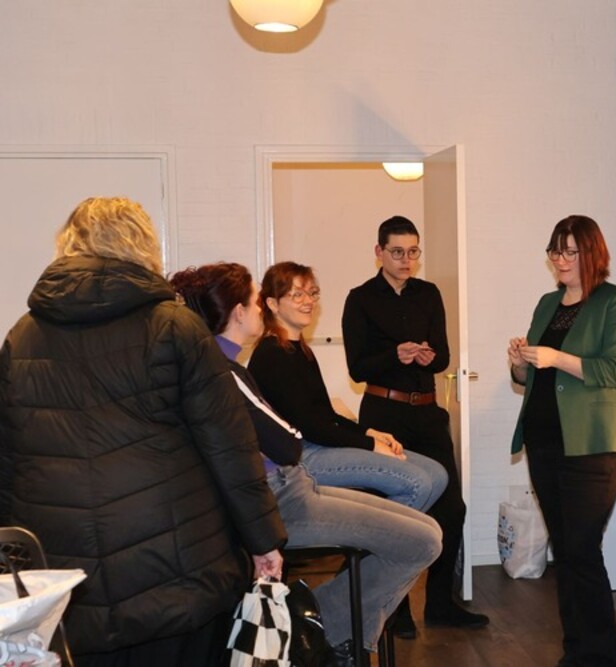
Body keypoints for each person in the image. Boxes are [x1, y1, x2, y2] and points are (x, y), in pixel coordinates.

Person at [0, 197, 286, 666]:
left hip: (68, 574)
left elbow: (8, 458)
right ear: (142, 245)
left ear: (70, 245)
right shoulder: (175, 327)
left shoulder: (22, 336)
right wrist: (263, 540)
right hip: (175, 565)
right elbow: (229, 445)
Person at [171, 263, 442, 665]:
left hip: (290, 486)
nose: (261, 309)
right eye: (255, 301)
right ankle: (318, 628)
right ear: (238, 313)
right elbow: (289, 442)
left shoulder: (225, 366)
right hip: (281, 500)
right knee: (424, 541)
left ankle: (336, 632)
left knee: (429, 531)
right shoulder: (223, 371)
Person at [342, 215, 489, 634]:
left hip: (427, 413)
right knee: (394, 512)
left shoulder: (428, 294)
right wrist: (396, 355)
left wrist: (428, 357)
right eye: (397, 252)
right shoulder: (360, 299)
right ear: (379, 252)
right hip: (384, 415)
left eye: (413, 252)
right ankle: (396, 609)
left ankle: (440, 603)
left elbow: (443, 357)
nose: (406, 260)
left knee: (452, 508)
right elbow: (357, 368)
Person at [508, 214, 616, 667]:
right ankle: (576, 653)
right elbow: (532, 377)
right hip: (545, 441)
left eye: (571, 251)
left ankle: (599, 657)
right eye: (555, 251)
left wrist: (555, 357)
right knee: (564, 552)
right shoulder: (548, 303)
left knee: (581, 551)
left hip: (594, 446)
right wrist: (521, 365)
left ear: (592, 253)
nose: (561, 260)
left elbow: (613, 371)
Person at [247, 261, 447, 514]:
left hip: (317, 445)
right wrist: (369, 444)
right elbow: (310, 426)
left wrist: (370, 432)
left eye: (312, 293)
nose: (308, 301)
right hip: (301, 457)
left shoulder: (300, 350)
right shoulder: (272, 353)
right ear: (273, 304)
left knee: (437, 474)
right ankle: (378, 538)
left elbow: (326, 415)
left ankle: (382, 535)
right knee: (417, 482)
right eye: (297, 294)